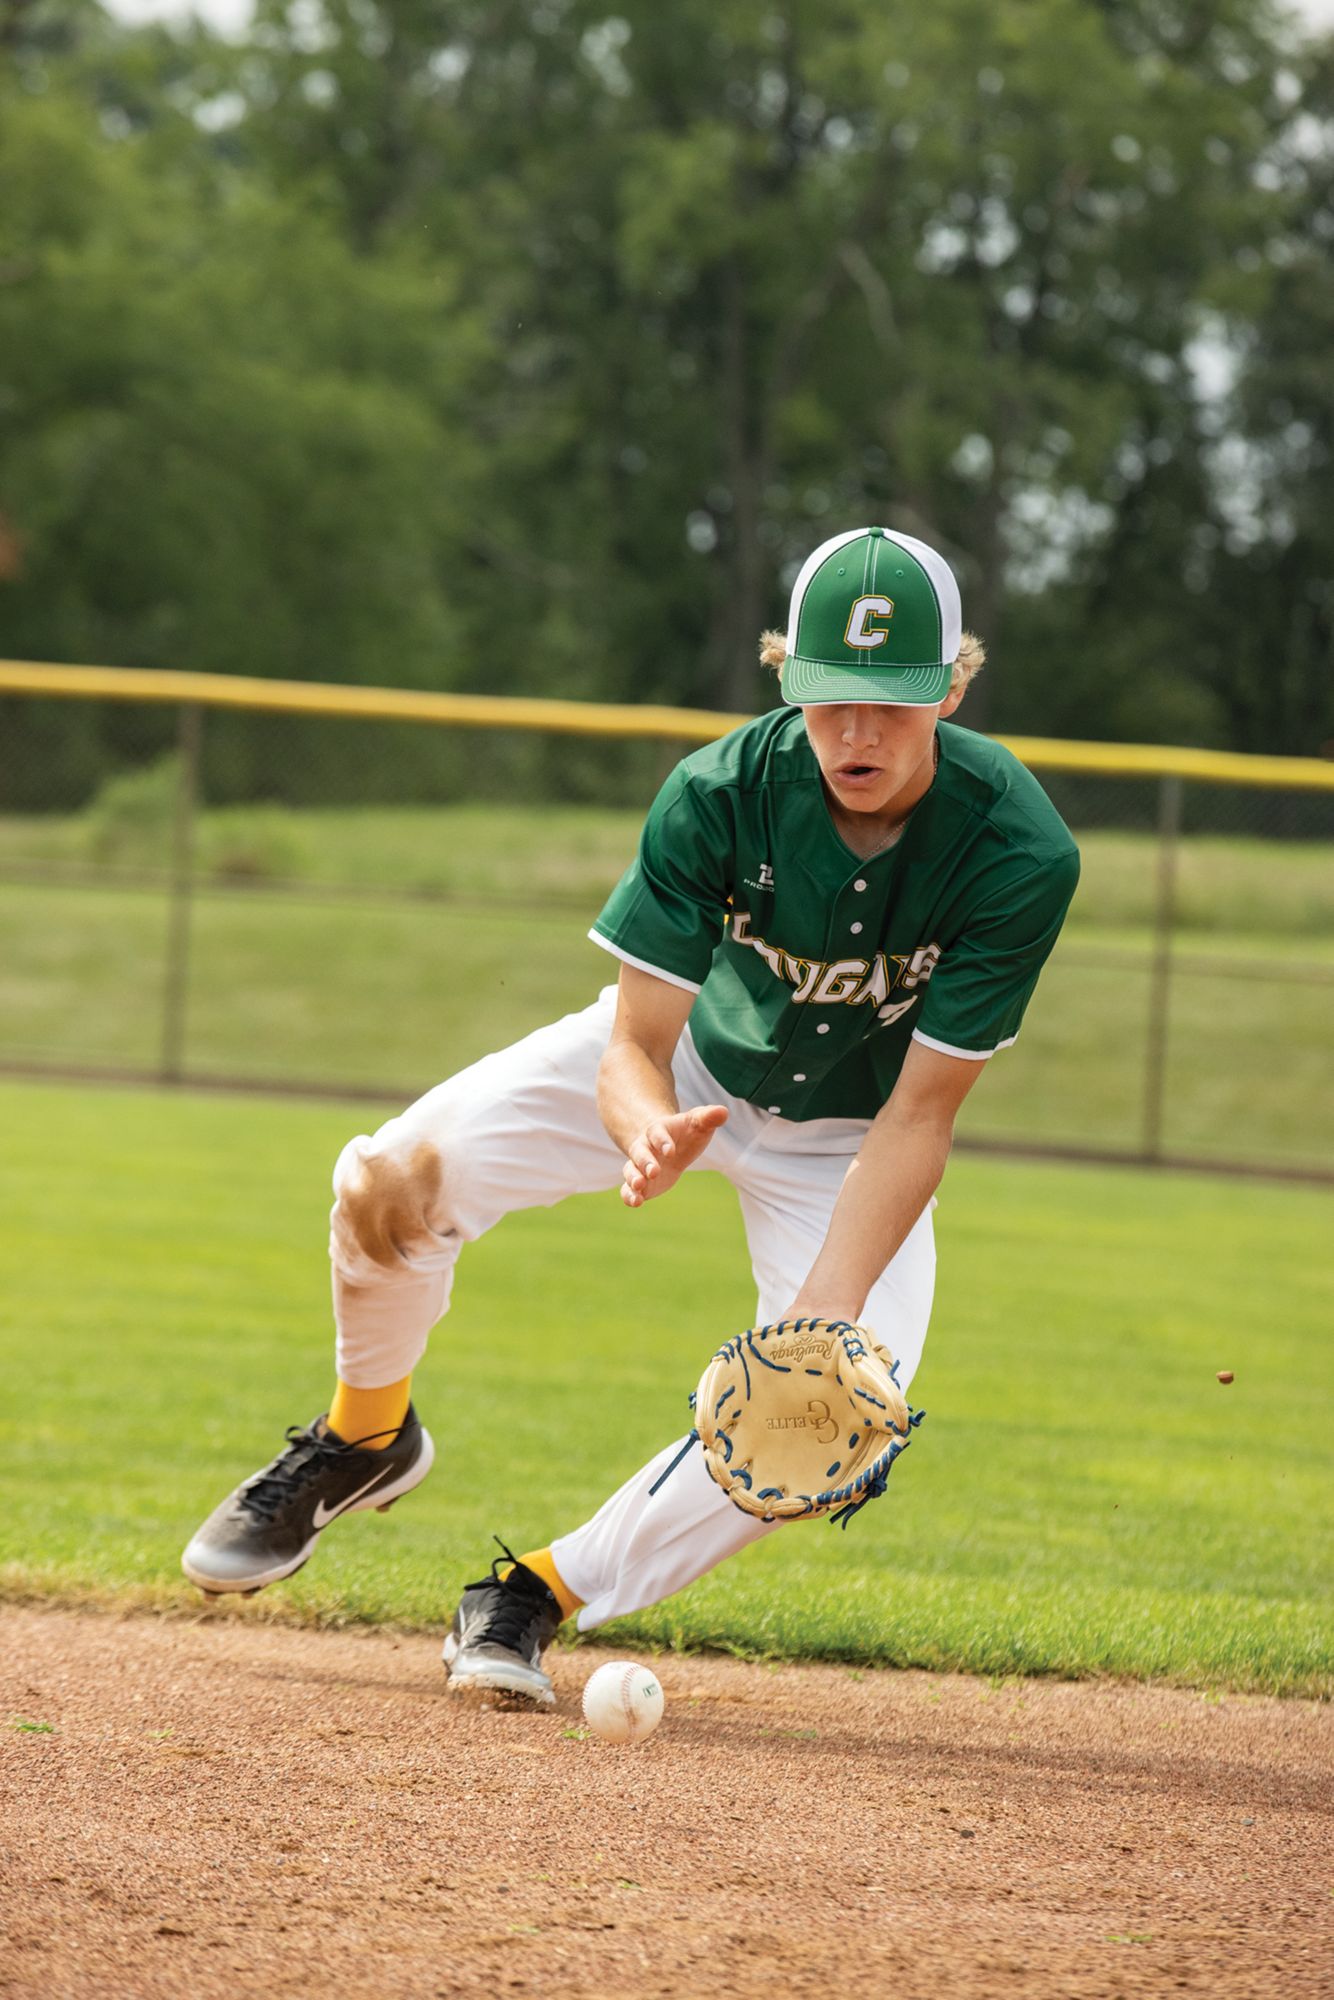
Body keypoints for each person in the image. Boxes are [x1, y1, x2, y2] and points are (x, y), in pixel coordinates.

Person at [182, 525, 1080, 1705]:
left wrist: (819, 1318)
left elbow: (919, 1116)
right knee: (388, 1177)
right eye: (827, 701)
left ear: (953, 687)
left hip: (853, 1138)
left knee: (817, 1421)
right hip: (697, 1069)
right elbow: (631, 1042)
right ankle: (363, 1434)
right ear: (782, 677)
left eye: (893, 704)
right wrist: (647, 1119)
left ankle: (532, 1592)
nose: (856, 734)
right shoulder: (718, 791)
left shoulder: (1017, 849)